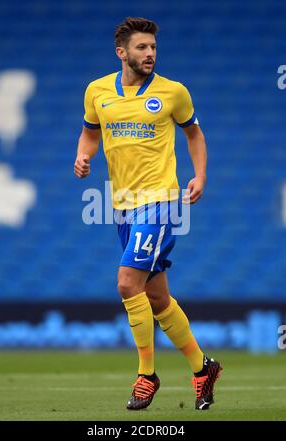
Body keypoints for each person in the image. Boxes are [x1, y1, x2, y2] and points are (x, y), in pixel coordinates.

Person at [74, 16, 222, 411]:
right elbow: (91, 131)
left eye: (153, 48)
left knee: (126, 283)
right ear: (121, 52)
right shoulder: (97, 91)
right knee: (156, 298)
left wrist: (200, 175)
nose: (150, 54)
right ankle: (202, 366)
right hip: (121, 205)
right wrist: (83, 155)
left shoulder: (173, 93)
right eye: (142, 48)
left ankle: (146, 375)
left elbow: (194, 133)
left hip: (159, 201)